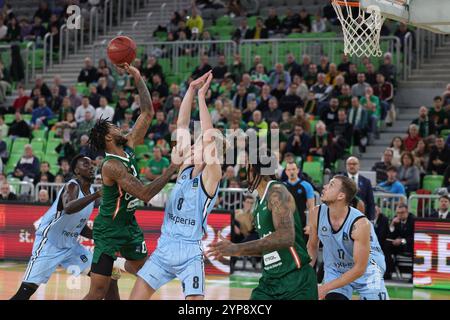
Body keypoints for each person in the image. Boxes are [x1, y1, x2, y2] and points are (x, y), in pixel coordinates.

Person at [83, 63, 179, 300]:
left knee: (148, 273)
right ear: (108, 137)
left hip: (129, 225)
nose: (120, 127)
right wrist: (172, 168)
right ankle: (114, 267)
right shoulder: (111, 165)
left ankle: (120, 266)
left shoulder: (128, 145)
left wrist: (138, 78)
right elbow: (145, 194)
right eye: (114, 126)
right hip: (108, 229)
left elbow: (147, 113)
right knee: (97, 293)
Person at [129, 71, 222, 300]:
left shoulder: (211, 178)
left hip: (190, 251)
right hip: (164, 248)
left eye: (198, 144)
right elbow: (181, 124)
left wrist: (201, 97)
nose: (192, 145)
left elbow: (208, 137)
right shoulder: (183, 170)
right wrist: (190, 90)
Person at [208, 147, 318, 300]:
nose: (244, 174)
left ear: (254, 169)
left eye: (247, 167)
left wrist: (237, 248)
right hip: (270, 281)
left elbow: (286, 237)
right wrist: (234, 251)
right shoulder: (260, 201)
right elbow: (267, 246)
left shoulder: (277, 192)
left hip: (295, 279)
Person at [10, 155, 121, 300]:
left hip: (70, 246)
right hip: (49, 243)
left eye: (92, 164)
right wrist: (97, 195)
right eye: (85, 165)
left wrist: (102, 237)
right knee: (25, 292)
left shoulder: (91, 191)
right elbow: (68, 207)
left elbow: (79, 228)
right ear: (77, 171)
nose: (91, 167)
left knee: (108, 276)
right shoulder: (72, 186)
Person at [307, 175, 388, 300]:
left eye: (331, 184)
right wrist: (304, 274)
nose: (324, 186)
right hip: (336, 268)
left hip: (368, 269)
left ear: (341, 196)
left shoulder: (360, 224)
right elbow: (312, 246)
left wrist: (325, 288)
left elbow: (359, 268)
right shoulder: (316, 213)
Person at [283, 161, 315, 241]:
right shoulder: (282, 187)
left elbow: (311, 207)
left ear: (298, 170)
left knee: (302, 249)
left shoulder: (306, 185)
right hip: (286, 222)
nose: (291, 172)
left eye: (293, 169)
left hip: (302, 222)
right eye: (289, 170)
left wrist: (310, 225)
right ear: (286, 172)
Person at [384, 204, 414, 280]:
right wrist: (392, 224)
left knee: (416, 247)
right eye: (398, 213)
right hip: (398, 245)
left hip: (409, 245)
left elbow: (414, 237)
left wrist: (402, 240)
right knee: (386, 245)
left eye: (402, 212)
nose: (399, 215)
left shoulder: (413, 220)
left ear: (407, 212)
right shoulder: (396, 220)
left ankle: (413, 276)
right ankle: (388, 272)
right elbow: (390, 236)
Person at [345, 156, 375, 221]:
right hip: (344, 215)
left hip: (361, 215)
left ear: (359, 166)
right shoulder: (340, 180)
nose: (352, 166)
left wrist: (371, 218)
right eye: (349, 164)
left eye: (354, 164)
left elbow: (370, 202)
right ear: (346, 166)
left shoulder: (366, 181)